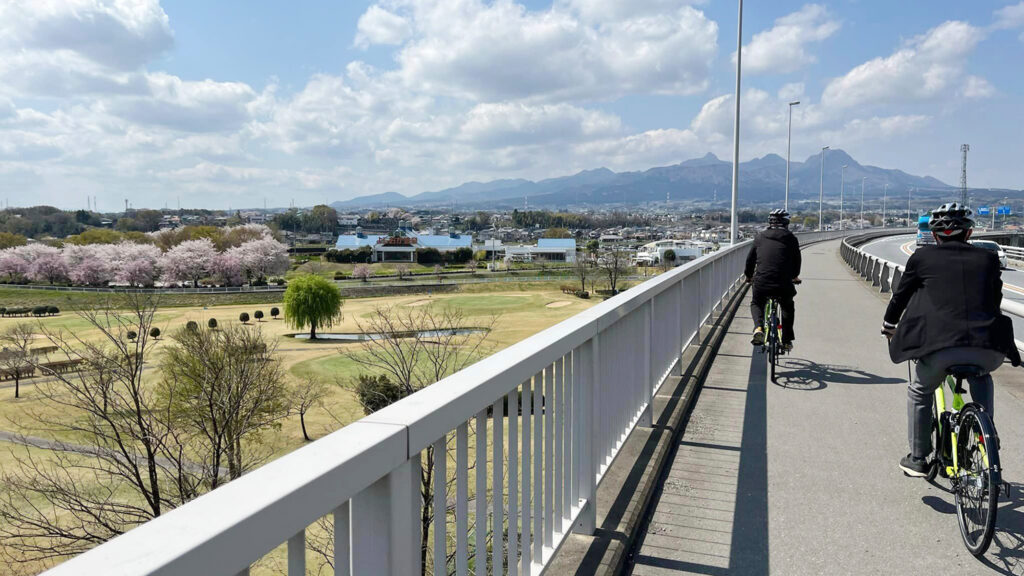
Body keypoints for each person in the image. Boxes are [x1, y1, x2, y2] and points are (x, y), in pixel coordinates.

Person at [882, 203, 1021, 477]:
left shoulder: (921, 259)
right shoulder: (989, 259)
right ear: (969, 234)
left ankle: (919, 458)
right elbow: (995, 299)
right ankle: (986, 436)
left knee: (920, 391)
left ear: (935, 236)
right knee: (981, 376)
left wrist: (889, 324)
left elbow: (901, 296)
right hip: (987, 345)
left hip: (939, 346)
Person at [745, 209, 801, 350]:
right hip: (783, 283)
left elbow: (750, 260)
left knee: (757, 303)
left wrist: (749, 276)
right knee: (788, 306)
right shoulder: (791, 239)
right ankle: (787, 340)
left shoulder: (759, 237)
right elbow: (797, 261)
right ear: (787, 222)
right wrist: (794, 276)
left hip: (762, 281)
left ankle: (758, 328)